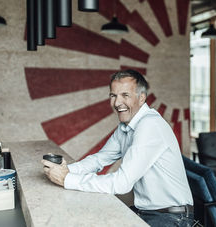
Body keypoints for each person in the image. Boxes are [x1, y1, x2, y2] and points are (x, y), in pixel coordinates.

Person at [42, 69, 194, 226]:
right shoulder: (126, 126)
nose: (117, 103)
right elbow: (99, 159)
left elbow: (122, 183)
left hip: (172, 218)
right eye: (113, 95)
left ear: (141, 98)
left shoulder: (150, 125)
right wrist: (65, 170)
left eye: (125, 95)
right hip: (148, 212)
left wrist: (67, 179)